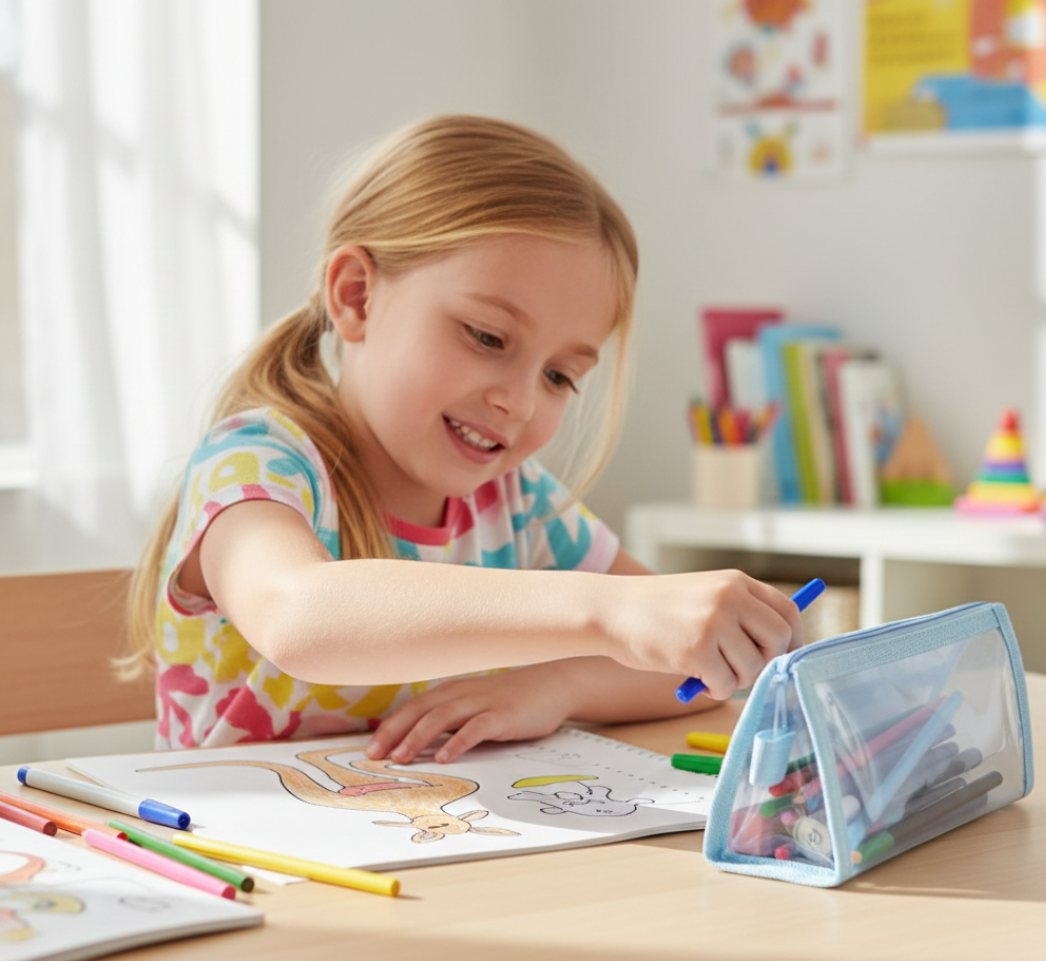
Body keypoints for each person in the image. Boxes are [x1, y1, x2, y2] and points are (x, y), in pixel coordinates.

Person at [123, 115, 802, 762]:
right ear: (356, 296)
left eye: (560, 376)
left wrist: (554, 686)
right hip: (227, 844)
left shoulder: (519, 502)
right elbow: (295, 615)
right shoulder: (257, 461)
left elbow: (685, 666)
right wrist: (605, 611)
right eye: (487, 337)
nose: (519, 401)